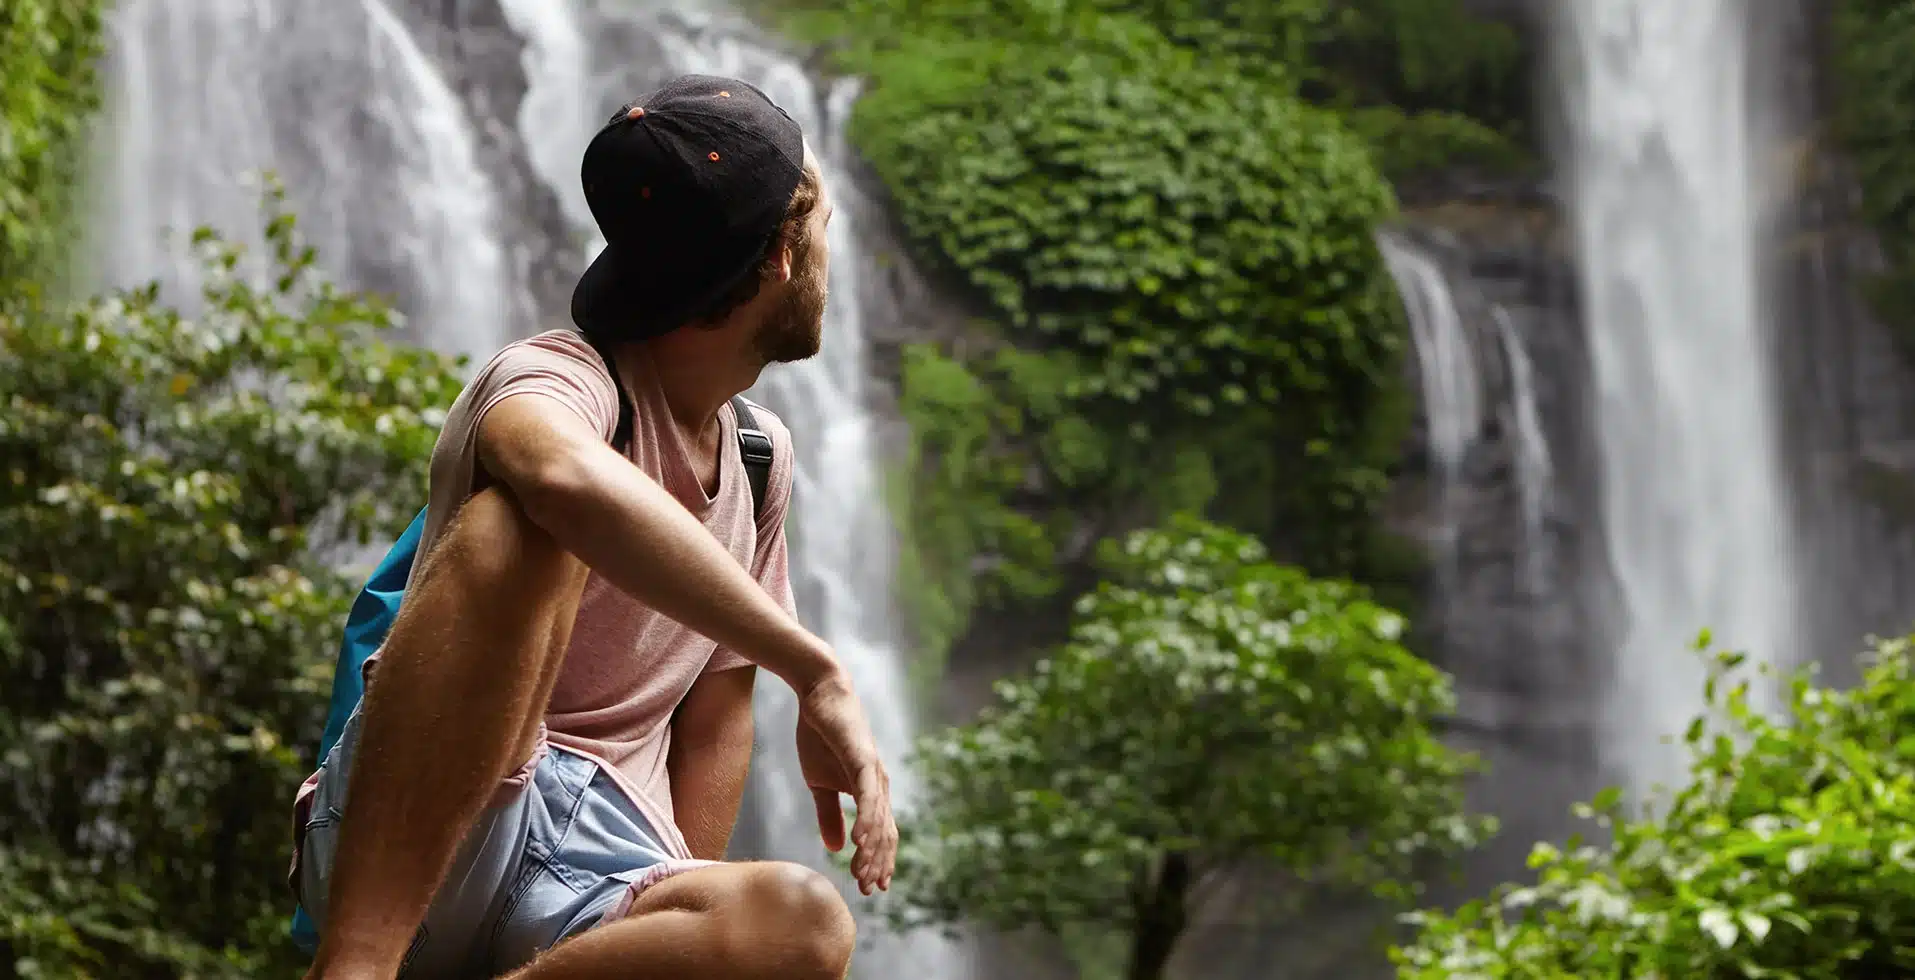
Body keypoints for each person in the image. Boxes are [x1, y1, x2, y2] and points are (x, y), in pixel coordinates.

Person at [291, 74, 896, 980]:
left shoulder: (762, 457)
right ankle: (356, 968)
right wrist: (811, 666)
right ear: (778, 257)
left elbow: (716, 719)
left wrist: (669, 910)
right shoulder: (559, 379)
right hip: (429, 822)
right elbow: (555, 473)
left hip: (597, 874)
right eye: (820, 230)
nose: (828, 250)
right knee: (519, 528)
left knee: (804, 924)